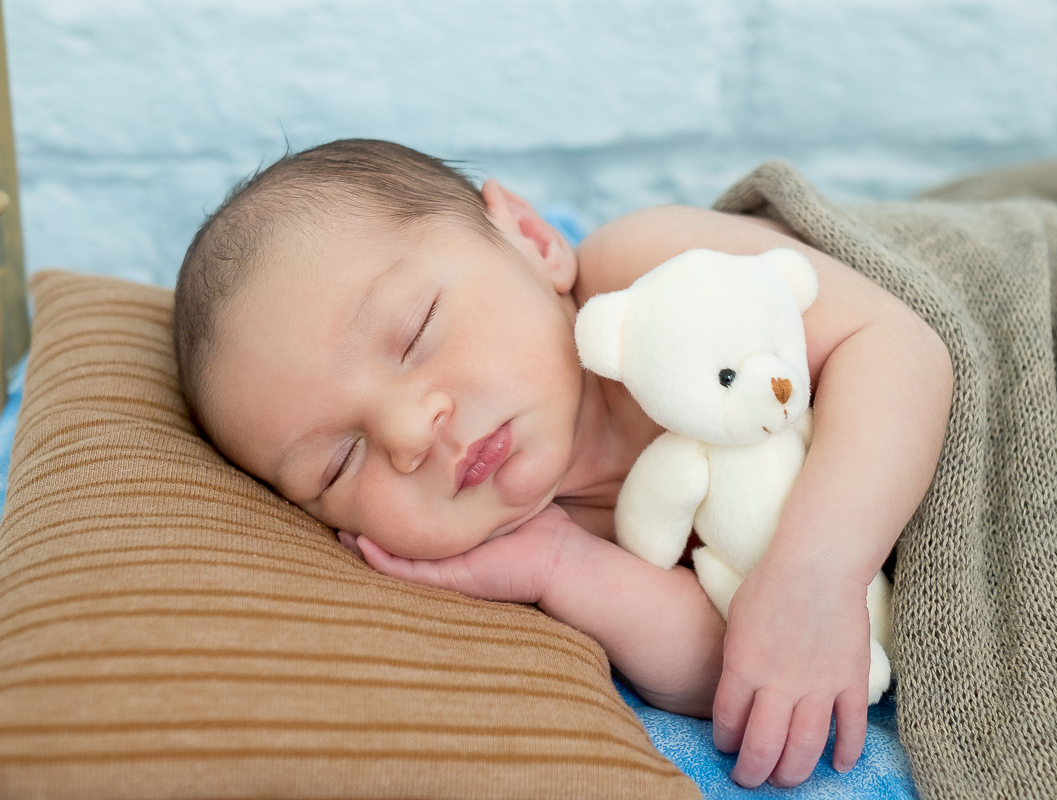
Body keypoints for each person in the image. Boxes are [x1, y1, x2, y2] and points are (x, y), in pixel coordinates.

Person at [173, 138, 953, 789]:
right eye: (339, 464)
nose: (411, 434)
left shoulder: (648, 278)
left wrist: (815, 574)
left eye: (415, 332)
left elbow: (894, 345)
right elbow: (748, 671)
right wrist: (562, 566)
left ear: (532, 240)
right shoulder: (534, 541)